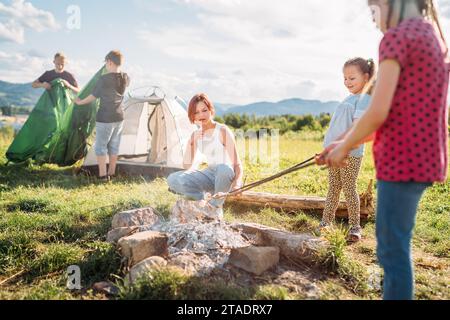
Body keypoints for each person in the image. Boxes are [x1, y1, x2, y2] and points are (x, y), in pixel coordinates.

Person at [319, 0, 449, 300]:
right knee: (397, 246)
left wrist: (345, 147)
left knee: (392, 252)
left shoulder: (398, 37)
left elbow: (377, 112)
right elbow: (395, 115)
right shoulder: (433, 38)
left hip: (401, 161)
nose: (374, 21)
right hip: (426, 159)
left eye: (374, 10)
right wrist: (341, 145)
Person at [319, 57, 376, 242]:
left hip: (350, 153)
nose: (347, 82)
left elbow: (357, 128)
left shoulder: (364, 98)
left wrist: (343, 147)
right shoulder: (349, 98)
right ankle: (326, 222)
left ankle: (355, 226)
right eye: (345, 78)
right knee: (333, 188)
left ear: (366, 78)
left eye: (352, 78)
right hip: (335, 151)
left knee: (349, 188)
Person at [167, 93, 244, 219]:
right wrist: (191, 142)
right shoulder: (195, 135)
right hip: (210, 173)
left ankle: (215, 208)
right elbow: (186, 166)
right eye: (196, 112)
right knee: (173, 179)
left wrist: (237, 183)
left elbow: (237, 164)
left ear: (211, 110)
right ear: (192, 115)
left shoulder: (222, 131)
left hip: (225, 174)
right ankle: (202, 201)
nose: (201, 115)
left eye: (204, 110)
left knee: (223, 168)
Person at [75, 50, 130, 181]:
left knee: (101, 147)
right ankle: (111, 173)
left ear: (109, 62)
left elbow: (93, 96)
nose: (105, 65)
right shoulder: (126, 77)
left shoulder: (103, 79)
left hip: (105, 118)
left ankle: (102, 176)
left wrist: (80, 102)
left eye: (106, 62)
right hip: (119, 117)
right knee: (114, 146)